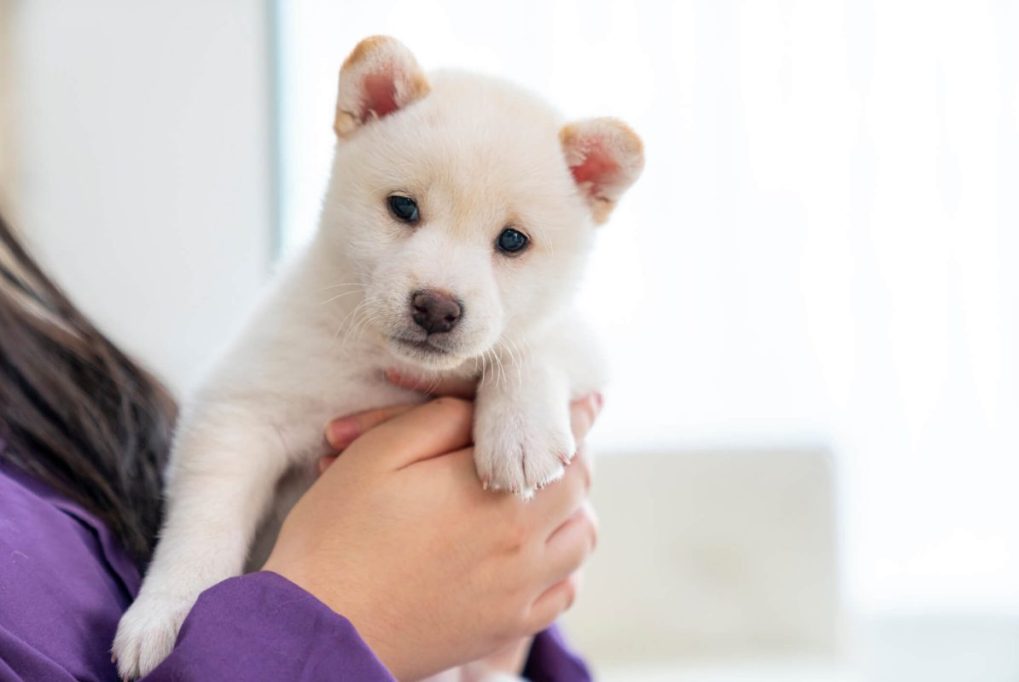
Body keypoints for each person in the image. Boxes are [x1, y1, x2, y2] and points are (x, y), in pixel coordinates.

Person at [0, 211, 600, 681]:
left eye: (512, 243)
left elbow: (576, 352)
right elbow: (243, 419)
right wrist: (325, 610)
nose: (443, 285)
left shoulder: (38, 365)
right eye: (405, 210)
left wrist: (497, 587)